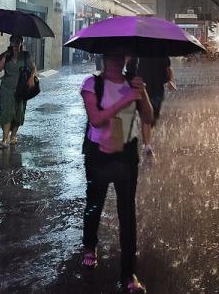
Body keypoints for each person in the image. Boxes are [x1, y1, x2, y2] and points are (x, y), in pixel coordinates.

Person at [80, 48, 153, 293]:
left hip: (126, 152)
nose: (117, 61)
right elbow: (96, 118)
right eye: (112, 57)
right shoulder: (92, 84)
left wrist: (141, 93)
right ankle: (90, 244)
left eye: (121, 57)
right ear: (103, 59)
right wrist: (125, 99)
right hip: (98, 153)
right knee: (94, 203)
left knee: (127, 212)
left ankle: (129, 273)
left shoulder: (133, 84)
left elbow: (148, 118)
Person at [0, 35, 36, 149]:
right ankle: (5, 138)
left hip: (21, 87)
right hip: (7, 87)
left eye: (18, 41)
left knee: (18, 111)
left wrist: (31, 77)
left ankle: (13, 136)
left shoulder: (25, 55)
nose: (16, 44)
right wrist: (4, 58)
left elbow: (33, 67)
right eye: (13, 41)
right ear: (11, 42)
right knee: (6, 112)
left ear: (21, 43)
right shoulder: (5, 55)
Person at [126, 56, 173, 156]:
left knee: (153, 119)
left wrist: (171, 81)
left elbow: (168, 69)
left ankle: (145, 134)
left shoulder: (163, 55)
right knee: (146, 119)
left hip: (158, 90)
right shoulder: (139, 55)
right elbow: (130, 67)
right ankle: (147, 145)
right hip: (144, 89)